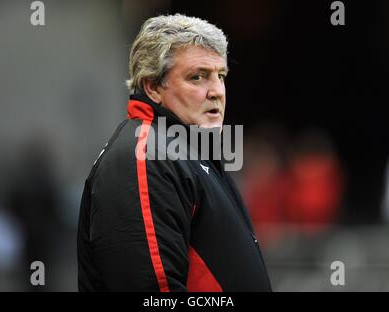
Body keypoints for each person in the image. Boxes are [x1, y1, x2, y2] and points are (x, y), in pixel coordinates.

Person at [77, 13, 272, 291]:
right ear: (153, 87)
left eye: (221, 76)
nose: (217, 91)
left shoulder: (182, 150)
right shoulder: (144, 155)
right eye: (198, 77)